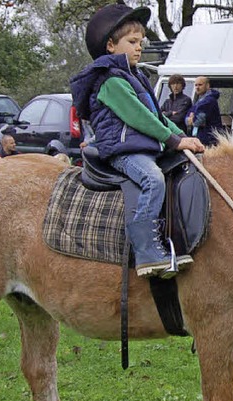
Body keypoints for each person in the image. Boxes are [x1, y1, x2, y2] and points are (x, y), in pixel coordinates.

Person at [70, 3, 204, 278]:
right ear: (110, 45)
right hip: (123, 150)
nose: (139, 47)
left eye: (140, 42)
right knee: (152, 179)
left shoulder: (137, 77)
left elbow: (157, 115)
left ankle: (173, 239)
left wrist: (183, 138)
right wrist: (173, 141)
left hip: (140, 146)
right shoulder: (110, 80)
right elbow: (139, 117)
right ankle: (146, 251)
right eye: (131, 42)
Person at [185, 76, 222, 146]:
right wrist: (191, 119)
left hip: (209, 139)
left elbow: (197, 122)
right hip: (201, 138)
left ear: (207, 86)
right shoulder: (200, 100)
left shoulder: (209, 101)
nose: (197, 87)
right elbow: (186, 119)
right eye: (196, 85)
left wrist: (192, 119)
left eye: (200, 85)